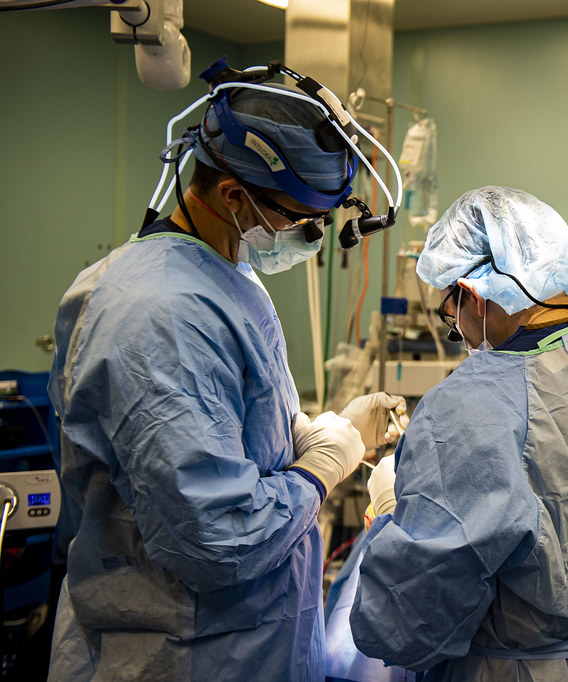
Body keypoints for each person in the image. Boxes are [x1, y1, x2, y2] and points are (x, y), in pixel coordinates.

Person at [46, 60, 404, 681]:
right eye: (298, 219)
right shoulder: (158, 314)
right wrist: (323, 469)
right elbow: (216, 538)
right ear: (234, 195)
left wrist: (316, 430)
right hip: (180, 653)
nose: (307, 236)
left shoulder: (229, 279)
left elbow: (237, 433)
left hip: (247, 643)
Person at [347, 186, 568, 680]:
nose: (459, 333)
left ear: (473, 297)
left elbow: (405, 623)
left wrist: (392, 509)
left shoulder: (472, 403)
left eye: (450, 315)